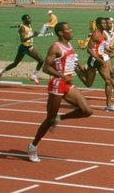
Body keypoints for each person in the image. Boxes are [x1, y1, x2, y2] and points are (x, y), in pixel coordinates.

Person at [28, 22, 92, 163]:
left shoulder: (69, 46)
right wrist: (62, 76)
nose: (72, 30)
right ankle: (33, 146)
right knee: (49, 119)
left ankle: (60, 118)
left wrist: (83, 69)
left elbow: (72, 62)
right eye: (68, 29)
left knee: (87, 111)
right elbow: (46, 68)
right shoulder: (55, 47)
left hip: (68, 85)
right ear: (61, 33)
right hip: (57, 85)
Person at [82, 17, 114, 111]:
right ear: (98, 25)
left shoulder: (103, 33)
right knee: (88, 83)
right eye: (103, 24)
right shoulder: (95, 34)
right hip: (94, 60)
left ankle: (108, 105)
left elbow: (101, 47)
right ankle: (77, 67)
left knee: (108, 81)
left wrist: (110, 51)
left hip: (101, 59)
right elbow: (89, 49)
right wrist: (98, 59)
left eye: (105, 24)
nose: (105, 25)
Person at [0, 14, 44, 84]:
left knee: (16, 64)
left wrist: (33, 34)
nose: (30, 19)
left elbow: (27, 33)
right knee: (40, 60)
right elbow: (22, 40)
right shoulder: (23, 28)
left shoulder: (28, 25)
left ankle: (1, 71)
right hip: (25, 48)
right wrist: (33, 35)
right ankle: (33, 75)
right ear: (24, 20)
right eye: (28, 19)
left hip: (29, 47)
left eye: (30, 18)